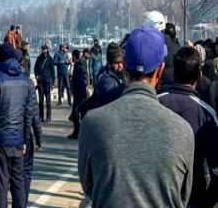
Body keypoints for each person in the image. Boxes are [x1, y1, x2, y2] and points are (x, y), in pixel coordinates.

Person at [78, 26, 194, 208]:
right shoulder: (182, 130)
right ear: (160, 69)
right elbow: (184, 195)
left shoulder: (92, 123)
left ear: (123, 65)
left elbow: (89, 186)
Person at [158, 46, 218, 208]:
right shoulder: (206, 113)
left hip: (157, 193)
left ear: (174, 72)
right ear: (199, 74)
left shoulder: (155, 103)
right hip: (193, 193)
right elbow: (215, 167)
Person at [0, 43, 37, 208]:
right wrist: (25, 139)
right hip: (18, 141)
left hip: (0, 141)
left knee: (1, 184)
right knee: (18, 183)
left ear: (1, 57)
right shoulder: (26, 81)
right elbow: (29, 113)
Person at [68, 49, 88, 139]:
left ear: (74, 56)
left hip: (79, 94)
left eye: (72, 56)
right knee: (78, 114)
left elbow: (80, 81)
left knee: (77, 114)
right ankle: (78, 132)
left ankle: (78, 132)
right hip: (78, 93)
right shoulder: (78, 64)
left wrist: (82, 92)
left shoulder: (78, 66)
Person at [33, 44, 55, 123]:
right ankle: (41, 117)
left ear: (47, 50)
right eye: (43, 49)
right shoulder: (39, 58)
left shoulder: (50, 59)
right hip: (40, 82)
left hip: (47, 82)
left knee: (48, 101)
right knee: (41, 100)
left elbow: (53, 72)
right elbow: (35, 69)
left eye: (45, 49)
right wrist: (36, 76)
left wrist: (53, 83)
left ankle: (48, 117)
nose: (44, 51)